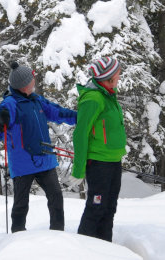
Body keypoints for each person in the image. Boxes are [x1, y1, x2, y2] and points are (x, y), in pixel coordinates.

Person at [0, 61, 77, 232]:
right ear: (23, 85)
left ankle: (58, 234)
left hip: (45, 159)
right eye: (32, 80)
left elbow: (58, 113)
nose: (34, 82)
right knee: (21, 205)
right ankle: (18, 237)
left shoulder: (37, 100)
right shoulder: (10, 104)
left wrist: (79, 117)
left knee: (56, 197)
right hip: (23, 163)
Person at [72, 56, 127, 242]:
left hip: (113, 161)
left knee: (110, 208)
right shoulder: (94, 99)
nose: (119, 77)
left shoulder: (109, 94)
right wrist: (78, 169)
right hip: (98, 164)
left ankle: (104, 249)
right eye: (117, 74)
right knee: (96, 208)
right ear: (108, 78)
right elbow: (80, 134)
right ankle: (83, 249)